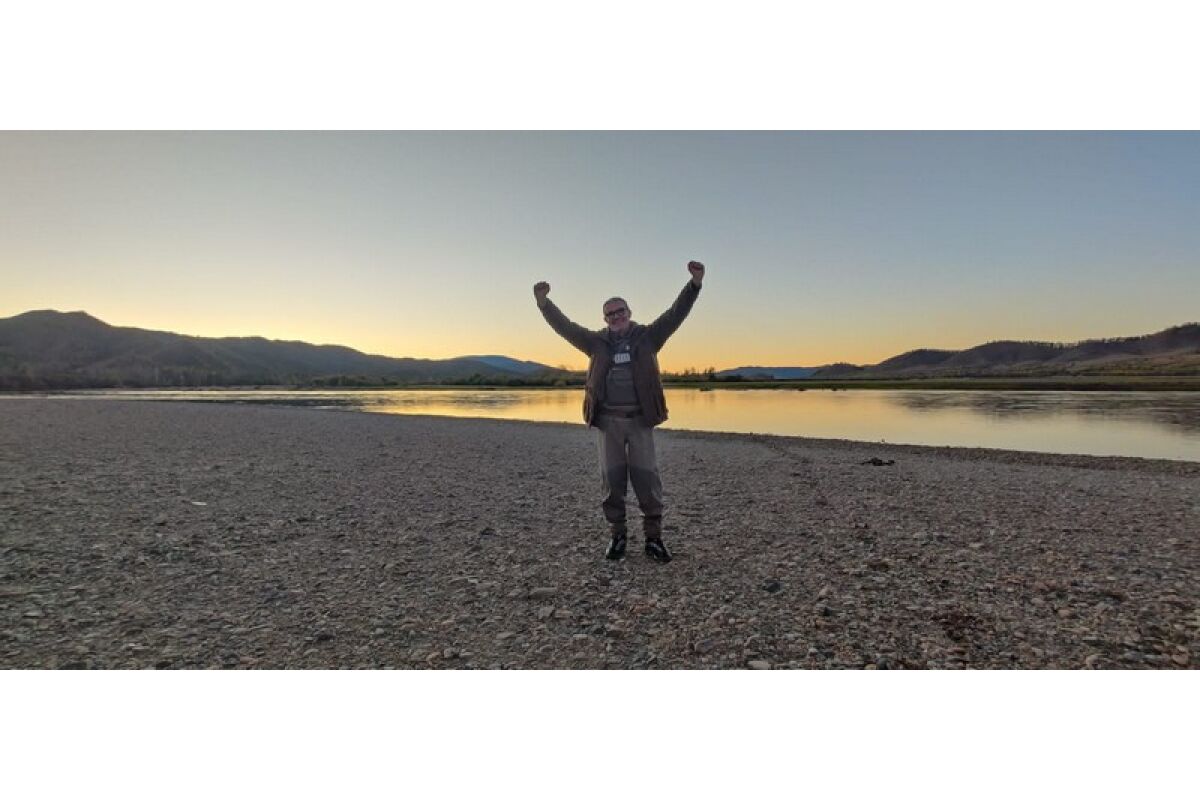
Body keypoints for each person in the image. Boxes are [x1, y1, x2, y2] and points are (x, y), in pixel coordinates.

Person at [532, 261, 705, 563]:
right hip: (608, 423)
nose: (616, 316)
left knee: (647, 480)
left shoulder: (648, 336)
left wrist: (695, 284)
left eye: (620, 311)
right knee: (611, 482)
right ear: (605, 318)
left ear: (629, 312)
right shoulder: (595, 342)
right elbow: (566, 327)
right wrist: (544, 303)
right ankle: (618, 535)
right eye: (610, 313)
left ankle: (653, 538)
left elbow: (675, 313)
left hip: (640, 421)